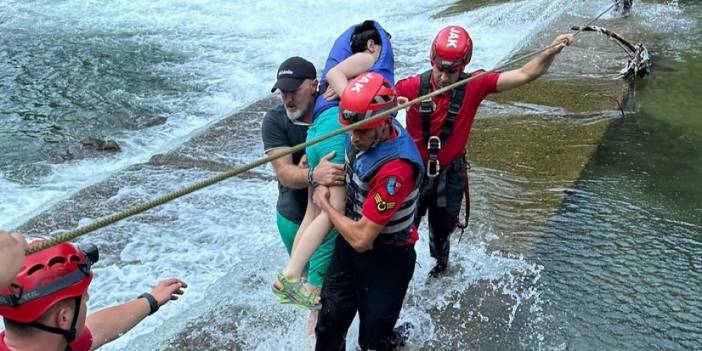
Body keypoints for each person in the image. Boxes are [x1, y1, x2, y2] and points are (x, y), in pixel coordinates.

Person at [395, 25, 575, 276]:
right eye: (440, 69)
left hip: (451, 174)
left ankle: (439, 268)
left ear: (464, 66)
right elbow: (373, 112)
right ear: (431, 61)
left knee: (442, 229)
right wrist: (391, 106)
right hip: (414, 174)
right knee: (401, 233)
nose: (445, 78)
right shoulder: (409, 88)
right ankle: (398, 274)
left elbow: (524, 74)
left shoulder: (475, 85)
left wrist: (549, 53)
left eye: (453, 71)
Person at [273, 20, 395, 311]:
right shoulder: (370, 56)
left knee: (313, 210)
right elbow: (335, 74)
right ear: (372, 44)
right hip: (332, 127)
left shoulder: (355, 67)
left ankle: (289, 273)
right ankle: (296, 277)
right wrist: (355, 102)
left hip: (318, 130)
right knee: (334, 206)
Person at [313, 72, 424, 350]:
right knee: (327, 325)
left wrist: (325, 203)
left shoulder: (396, 169)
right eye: (349, 129)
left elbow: (363, 239)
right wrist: (314, 171)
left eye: (361, 130)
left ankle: (396, 336)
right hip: (348, 247)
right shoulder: (362, 126)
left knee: (372, 342)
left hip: (387, 256)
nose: (353, 137)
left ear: (384, 124)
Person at [0, 240, 186, 351]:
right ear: (63, 318)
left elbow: (97, 329)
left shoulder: (48, 341)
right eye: (85, 299)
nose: (86, 305)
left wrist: (151, 300)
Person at [263, 56, 346, 306]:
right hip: (292, 218)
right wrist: (314, 174)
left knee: (317, 296)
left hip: (323, 217)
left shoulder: (334, 105)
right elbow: (284, 173)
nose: (288, 99)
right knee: (313, 295)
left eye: (294, 91)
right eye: (283, 92)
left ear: (314, 86)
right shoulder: (275, 120)